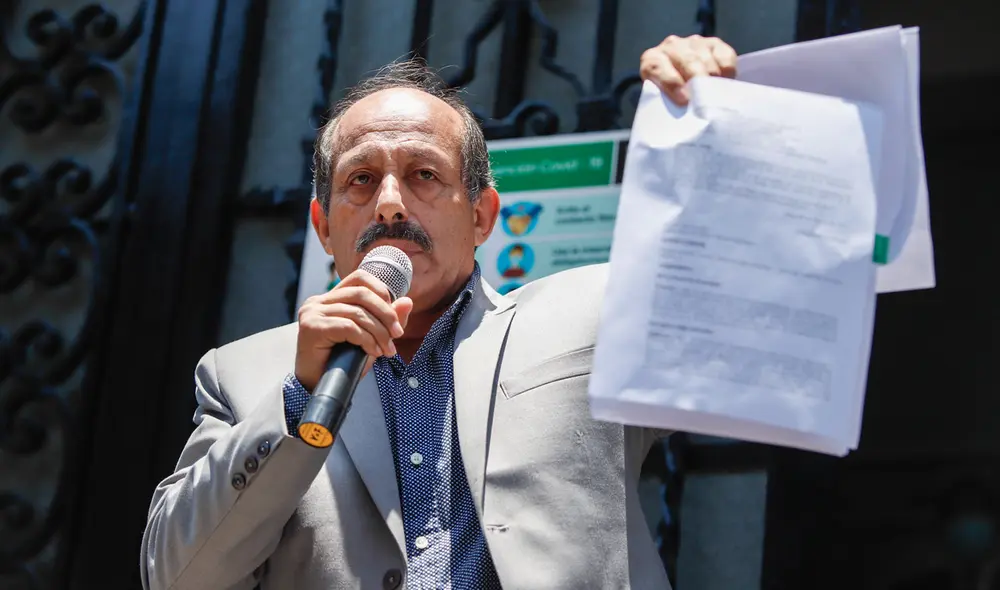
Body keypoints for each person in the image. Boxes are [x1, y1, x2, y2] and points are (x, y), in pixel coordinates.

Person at [140, 34, 739, 590]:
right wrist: (301, 395)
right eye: (361, 179)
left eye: (424, 175)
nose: (391, 204)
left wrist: (721, 132)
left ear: (481, 216)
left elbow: (752, 324)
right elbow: (177, 575)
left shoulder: (590, 316)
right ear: (324, 227)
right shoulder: (242, 375)